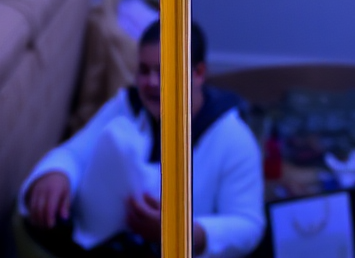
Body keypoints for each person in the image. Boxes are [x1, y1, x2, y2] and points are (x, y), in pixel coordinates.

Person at [19, 20, 265, 258]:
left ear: (198, 73)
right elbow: (75, 152)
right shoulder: (125, 106)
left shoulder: (233, 138)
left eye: (164, 70)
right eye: (144, 70)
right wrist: (56, 173)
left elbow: (248, 224)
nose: (151, 83)